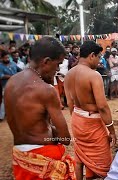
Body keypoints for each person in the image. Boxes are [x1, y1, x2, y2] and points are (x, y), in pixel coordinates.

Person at [5, 37, 75, 179]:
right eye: (58, 65)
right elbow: (65, 138)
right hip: (43, 155)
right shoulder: (46, 90)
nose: (57, 70)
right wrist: (51, 134)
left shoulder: (11, 82)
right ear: (46, 62)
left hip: (20, 155)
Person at [64, 41, 116, 180]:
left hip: (77, 119)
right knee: (103, 162)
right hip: (92, 123)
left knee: (80, 157)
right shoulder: (94, 75)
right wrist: (111, 130)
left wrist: (78, 118)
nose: (99, 61)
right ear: (92, 55)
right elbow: (102, 106)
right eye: (99, 57)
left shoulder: (68, 74)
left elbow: (69, 102)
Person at [0, 50, 20, 121]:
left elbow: (20, 70)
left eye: (8, 57)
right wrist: (13, 76)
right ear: (2, 58)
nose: (7, 59)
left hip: (16, 85)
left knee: (17, 100)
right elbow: (1, 76)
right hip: (6, 86)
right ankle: (1, 117)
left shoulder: (13, 63)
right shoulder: (0, 66)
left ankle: (17, 115)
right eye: (5, 58)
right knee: (4, 101)